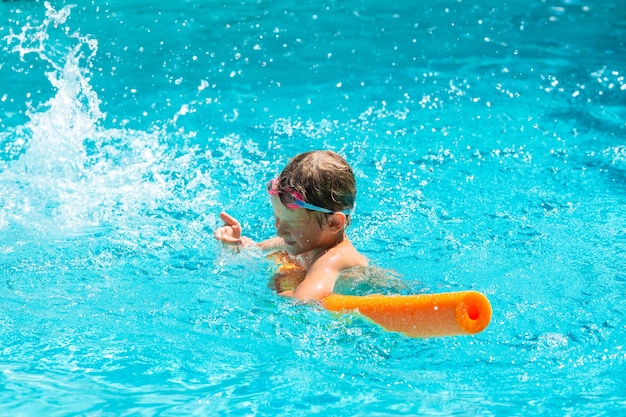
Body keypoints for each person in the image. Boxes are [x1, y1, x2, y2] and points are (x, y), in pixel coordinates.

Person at [214, 150, 368, 301]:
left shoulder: (333, 258)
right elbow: (256, 249)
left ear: (334, 223)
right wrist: (235, 241)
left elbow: (304, 300)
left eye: (292, 223)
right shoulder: (305, 242)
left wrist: (261, 298)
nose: (280, 231)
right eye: (278, 218)